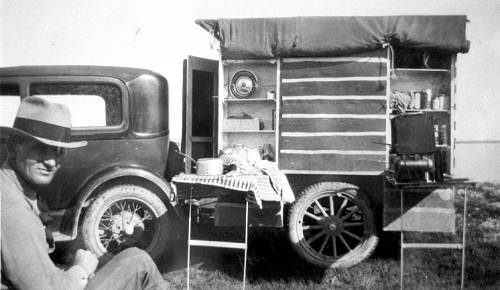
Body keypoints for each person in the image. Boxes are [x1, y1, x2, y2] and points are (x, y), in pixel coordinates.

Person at [0, 96, 168, 290]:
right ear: (12, 147)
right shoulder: (13, 211)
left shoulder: (11, 188)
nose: (52, 162)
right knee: (140, 264)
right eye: (40, 148)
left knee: (136, 259)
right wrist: (81, 269)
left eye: (58, 151)